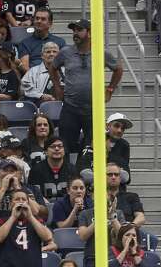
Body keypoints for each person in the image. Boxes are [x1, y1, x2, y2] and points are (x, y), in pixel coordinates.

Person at [47, 18, 123, 161]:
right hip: (70, 108)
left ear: (89, 33)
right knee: (64, 145)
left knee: (92, 147)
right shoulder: (65, 52)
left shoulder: (101, 52)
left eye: (79, 30)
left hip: (93, 109)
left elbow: (118, 69)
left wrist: (110, 89)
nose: (75, 33)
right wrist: (57, 86)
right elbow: (53, 67)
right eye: (74, 30)